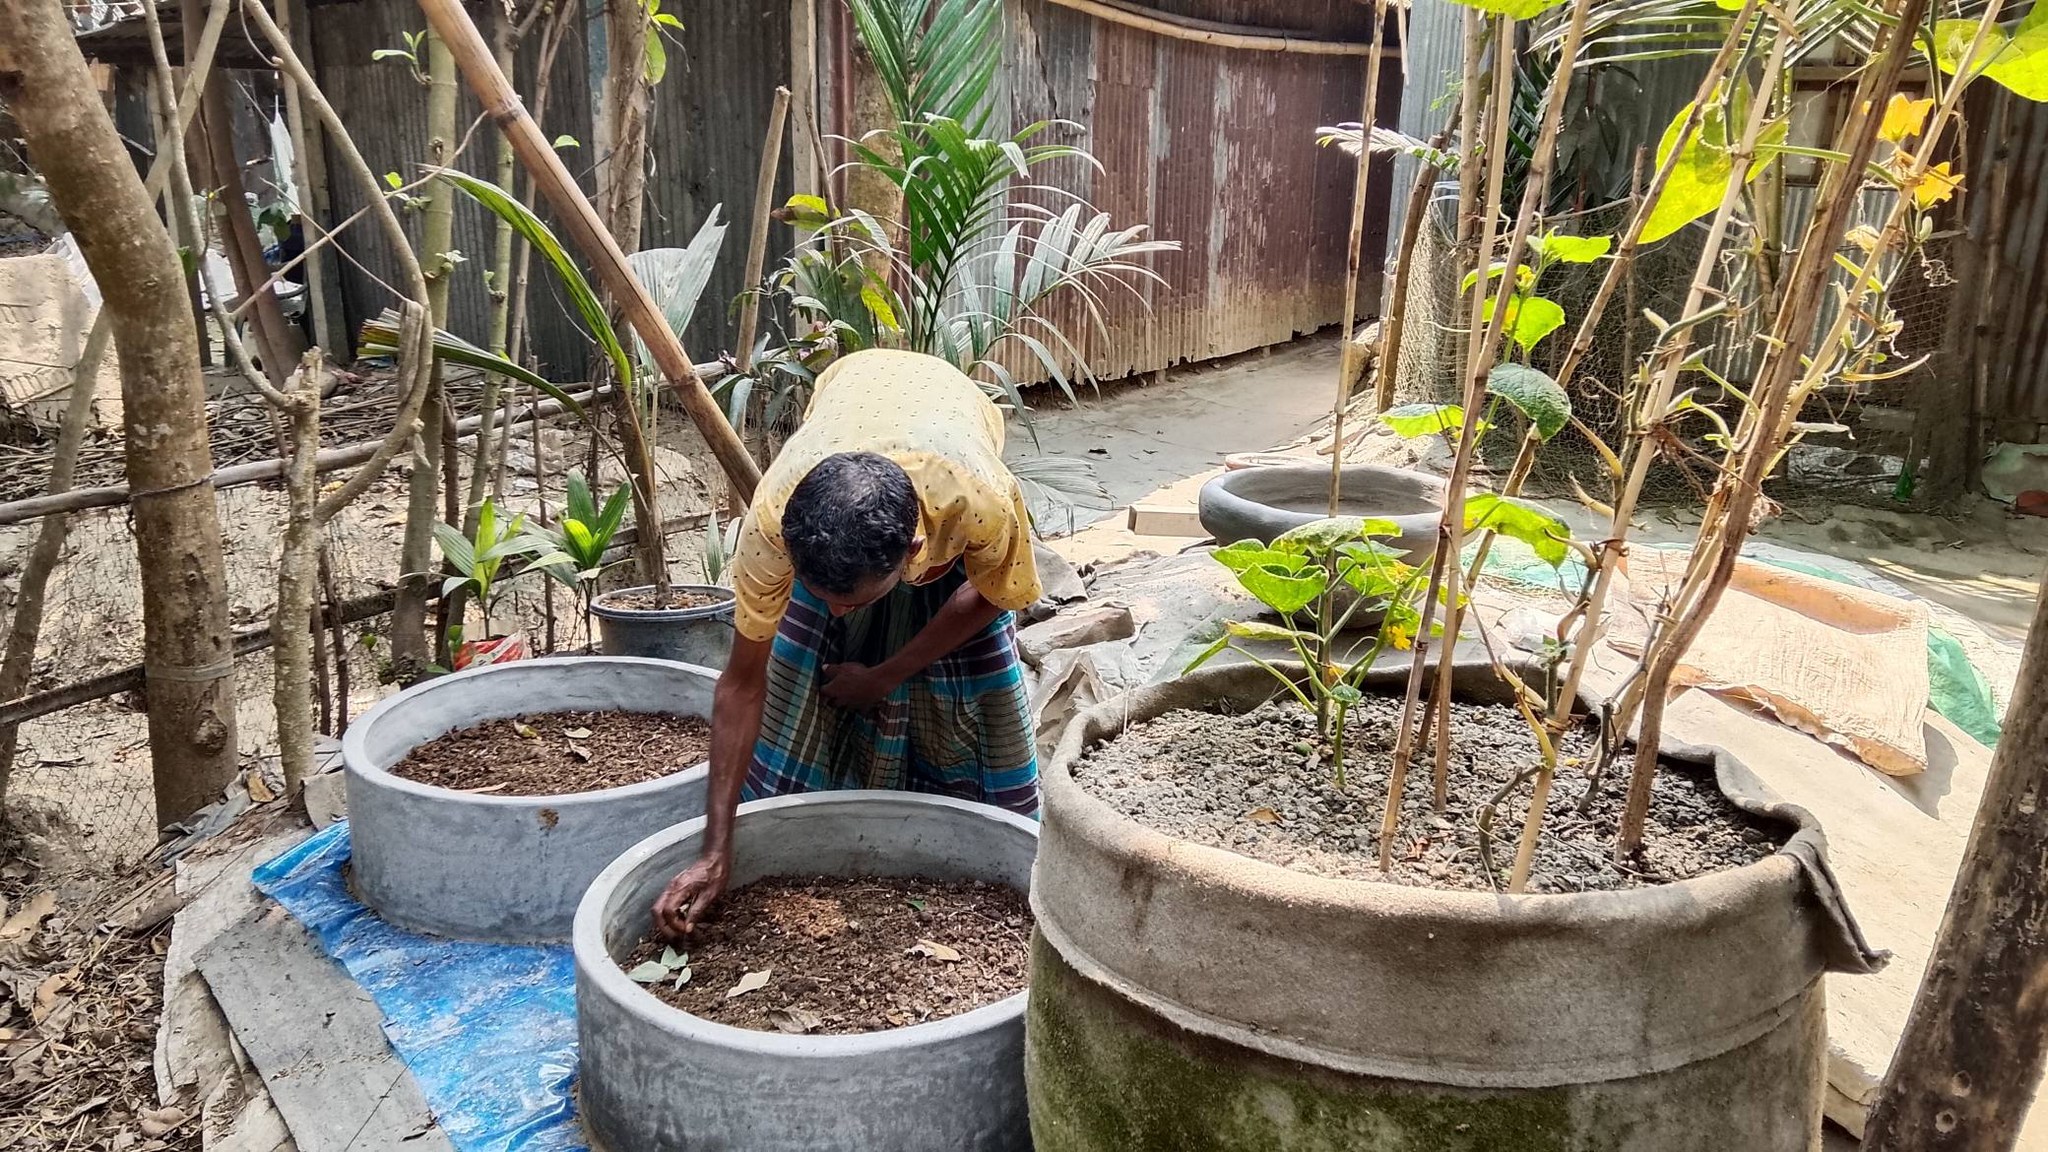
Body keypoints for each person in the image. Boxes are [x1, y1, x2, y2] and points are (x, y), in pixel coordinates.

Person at [652, 349, 1042, 940]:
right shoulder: (773, 521)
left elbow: (997, 596)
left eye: (853, 601)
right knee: (796, 670)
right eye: (818, 592)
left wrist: (888, 673)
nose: (837, 611)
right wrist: (714, 849)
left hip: (954, 416)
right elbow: (740, 684)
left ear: (913, 553)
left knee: (975, 680)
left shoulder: (981, 503)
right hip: (848, 391)